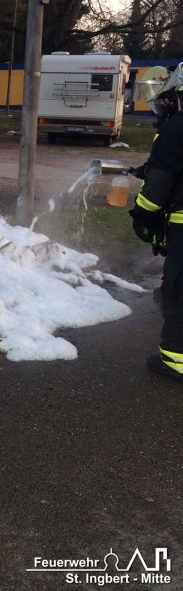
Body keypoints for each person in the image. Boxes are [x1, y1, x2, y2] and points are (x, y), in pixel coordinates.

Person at [129, 62, 183, 381]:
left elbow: (161, 185)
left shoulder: (176, 128)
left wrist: (143, 214)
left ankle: (175, 360)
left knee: (177, 289)